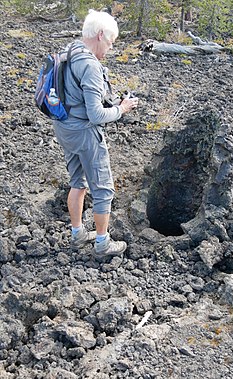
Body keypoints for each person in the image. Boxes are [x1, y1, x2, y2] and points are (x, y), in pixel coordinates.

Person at [52, 9, 139, 259]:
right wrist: (122, 109)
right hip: (85, 133)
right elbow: (96, 116)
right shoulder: (89, 65)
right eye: (110, 42)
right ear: (100, 35)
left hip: (64, 128)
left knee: (77, 182)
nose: (110, 49)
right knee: (103, 190)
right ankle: (102, 245)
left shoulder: (68, 51)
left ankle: (77, 234)